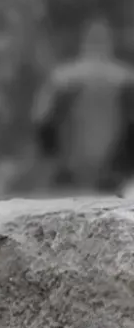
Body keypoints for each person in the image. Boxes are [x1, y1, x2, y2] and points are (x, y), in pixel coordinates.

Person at [32, 17, 134, 195]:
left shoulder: (62, 77)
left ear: (83, 42)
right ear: (110, 43)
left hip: (70, 170)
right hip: (111, 173)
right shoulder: (125, 79)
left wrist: (51, 157)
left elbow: (41, 118)